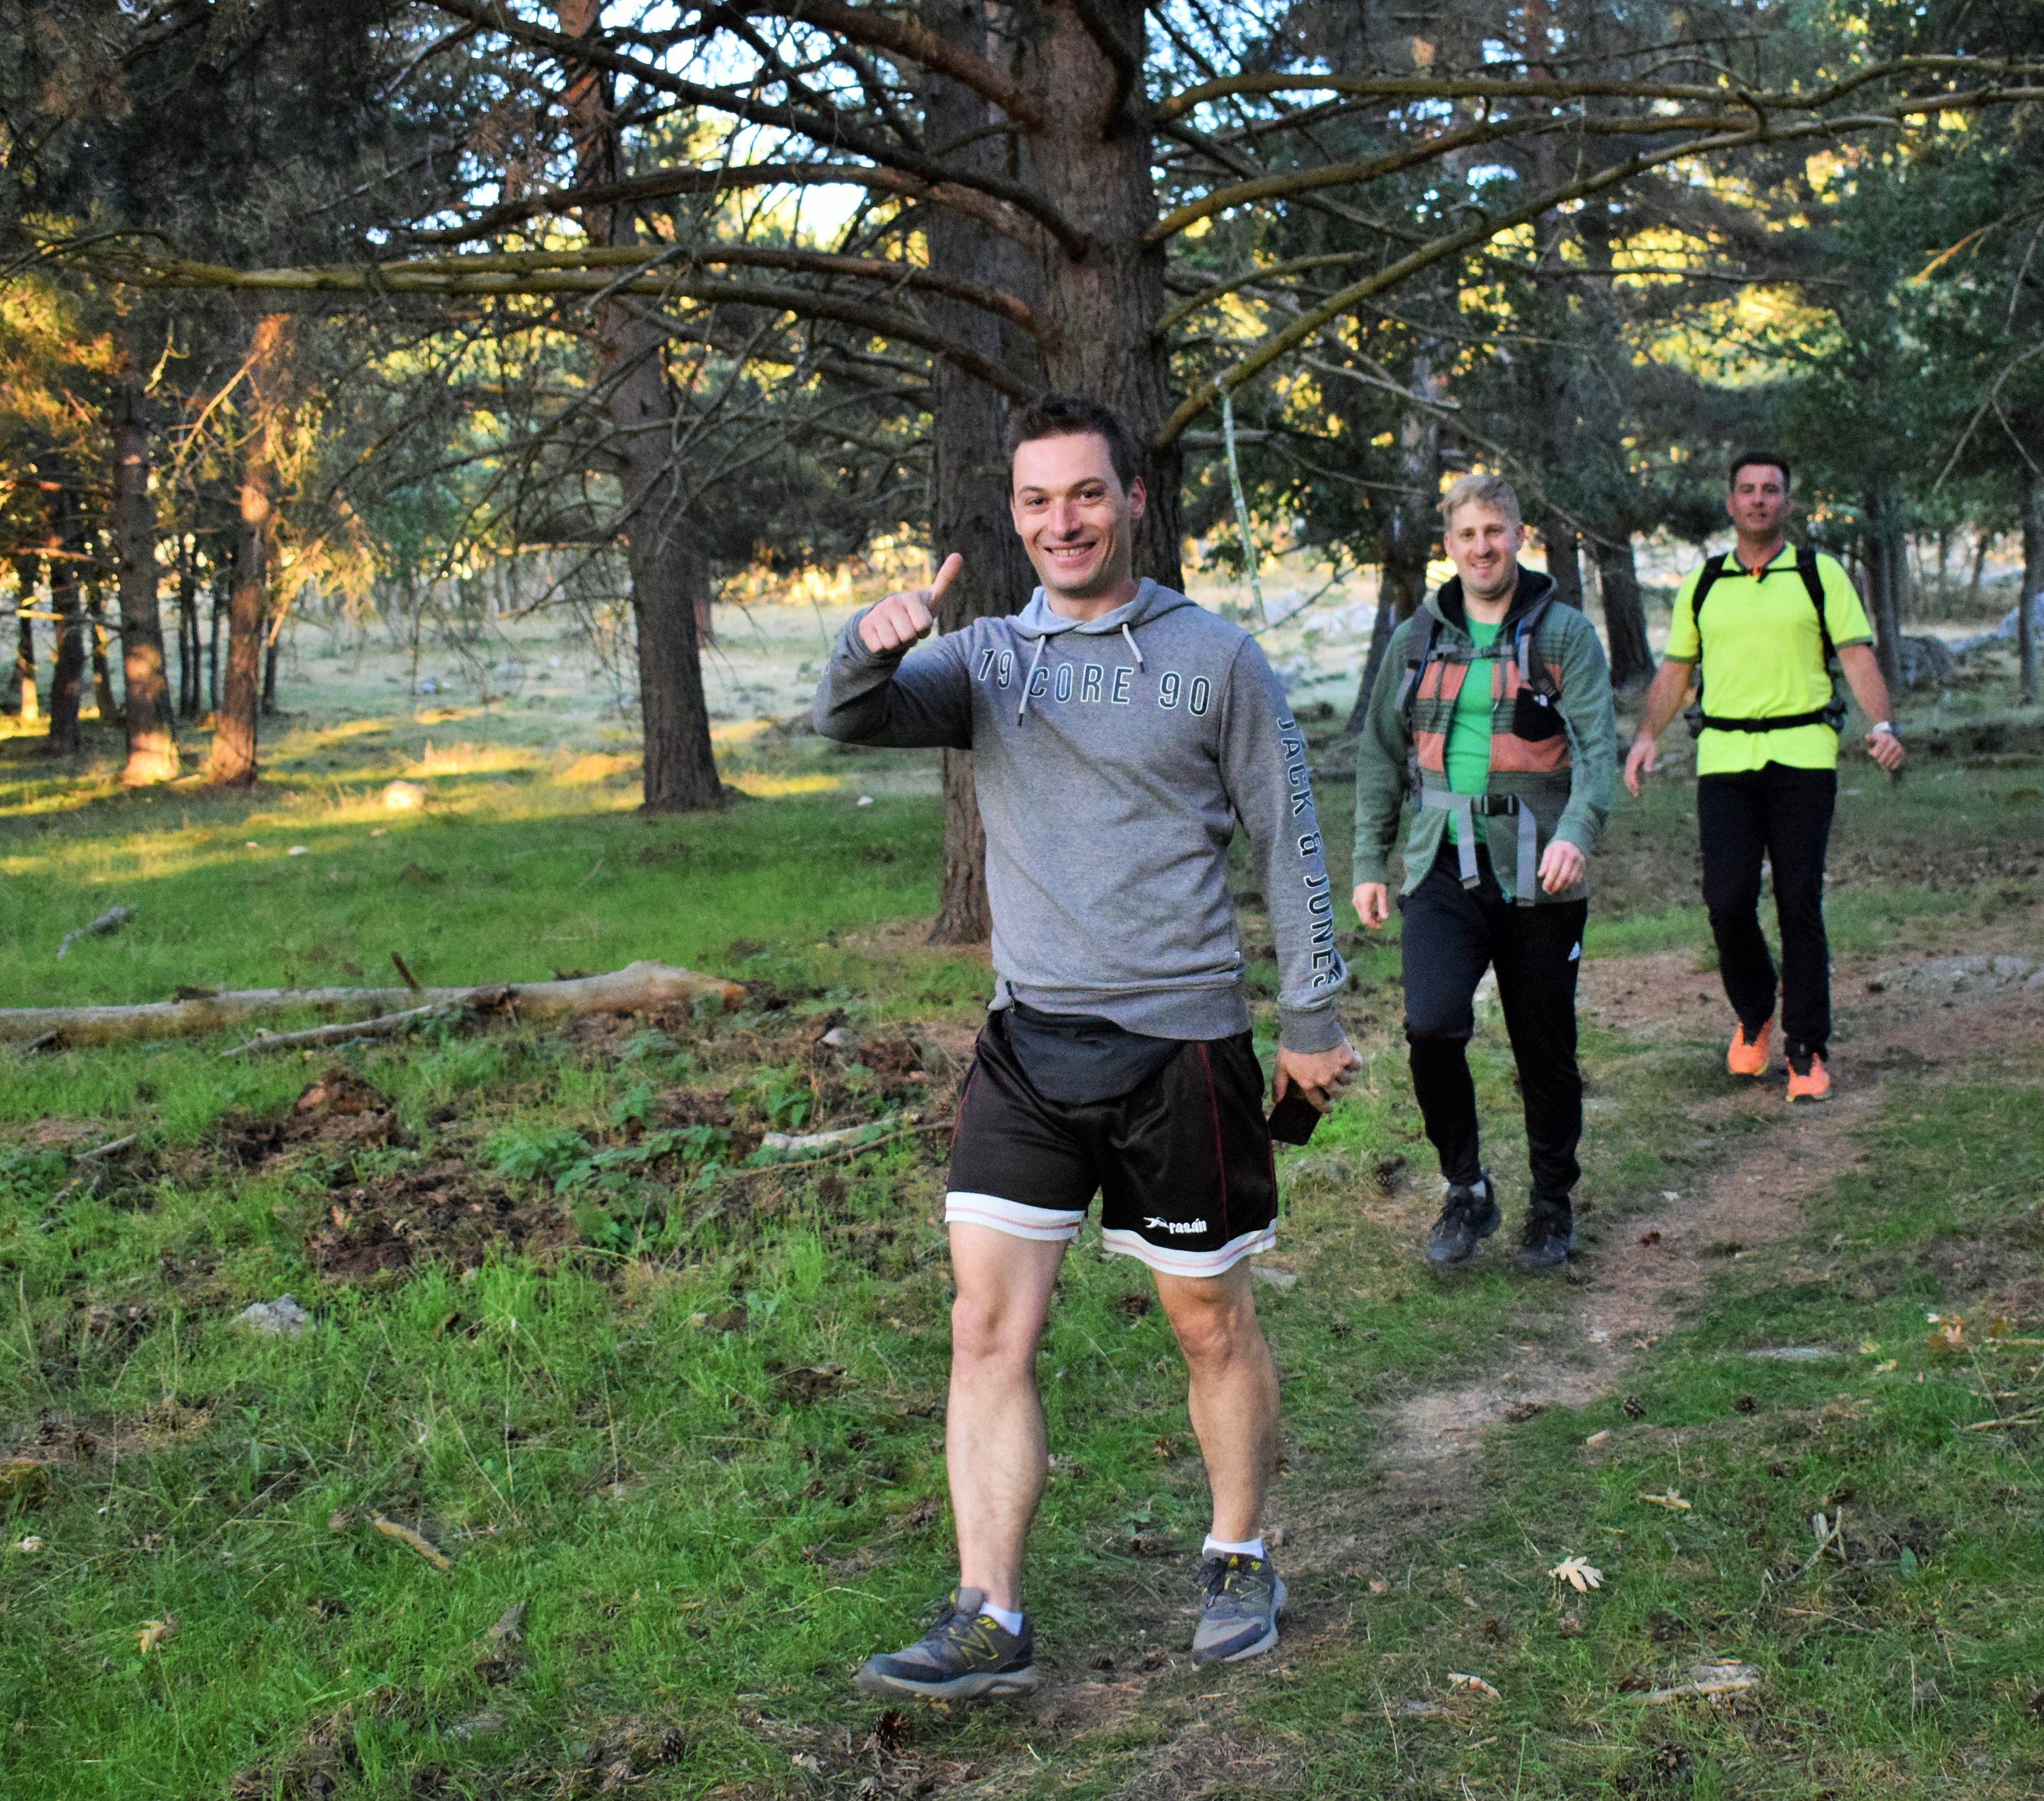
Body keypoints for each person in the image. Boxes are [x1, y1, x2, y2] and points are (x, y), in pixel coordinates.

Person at [812, 393, 1359, 1703]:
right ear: (1015, 517)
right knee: (984, 1325)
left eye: (1086, 495)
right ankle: (988, 1613)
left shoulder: (1216, 659)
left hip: (1183, 1048)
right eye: (1038, 501)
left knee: (1207, 1319)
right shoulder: (989, 661)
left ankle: (1238, 1554)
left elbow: (1288, 836)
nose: (1063, 521)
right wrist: (867, 643)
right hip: (1027, 1045)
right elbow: (850, 717)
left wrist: (1314, 1018)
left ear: (1134, 501)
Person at [1351, 473, 1617, 1272]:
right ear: (1449, 546)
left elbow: (1599, 751)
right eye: (1467, 535)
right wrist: (1369, 859)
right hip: (1438, 859)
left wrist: (1578, 830)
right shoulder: (1417, 638)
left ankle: (1551, 1201)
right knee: (1431, 1026)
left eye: (1495, 531)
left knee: (1544, 1045)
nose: (1482, 547)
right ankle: (1466, 1187)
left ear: (1519, 535)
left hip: (1539, 863)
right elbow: (1378, 753)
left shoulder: (1564, 634)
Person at [1622, 450, 1904, 1103]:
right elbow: (1675, 672)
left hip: (1804, 756)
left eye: (1771, 490)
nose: (1758, 501)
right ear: (1730, 503)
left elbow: (1857, 659)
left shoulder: (1818, 573)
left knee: (1799, 900)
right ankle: (1755, 1013)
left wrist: (1883, 726)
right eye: (1746, 491)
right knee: (1726, 900)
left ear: (1788, 502)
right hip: (1724, 760)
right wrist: (1644, 737)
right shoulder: (1706, 582)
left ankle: (1806, 1050)